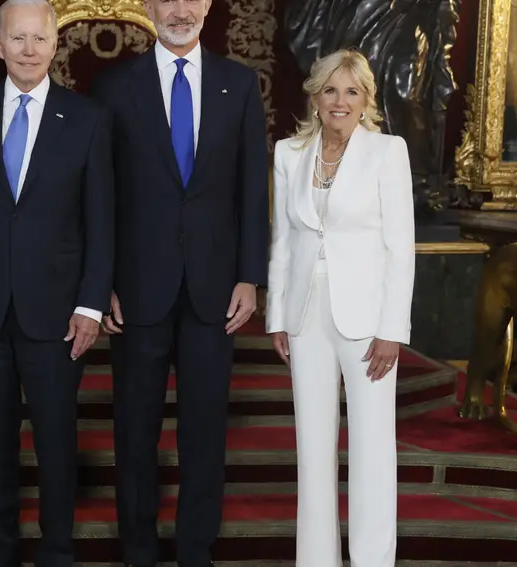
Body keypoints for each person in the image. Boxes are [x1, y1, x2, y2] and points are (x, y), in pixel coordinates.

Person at [0, 1, 114, 566]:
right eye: (19, 38)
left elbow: (100, 221)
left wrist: (89, 303)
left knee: (57, 443)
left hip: (58, 313)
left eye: (39, 38)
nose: (29, 49)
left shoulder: (87, 120)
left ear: (55, 45)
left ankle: (57, 552)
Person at [90, 1, 270, 565]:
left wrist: (250, 275)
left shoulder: (238, 85)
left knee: (204, 431)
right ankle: (138, 550)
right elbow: (100, 194)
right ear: (148, 6)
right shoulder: (115, 86)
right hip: (137, 288)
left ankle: (196, 549)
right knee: (135, 433)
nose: (182, 8)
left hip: (215, 291)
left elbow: (252, 187)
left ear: (208, 6)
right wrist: (102, 284)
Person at [266, 48, 415, 567]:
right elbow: (283, 240)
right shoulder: (289, 154)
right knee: (313, 447)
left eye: (352, 91)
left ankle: (374, 559)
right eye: (331, 89)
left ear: (366, 99)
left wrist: (392, 328)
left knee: (373, 449)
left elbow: (401, 246)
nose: (340, 100)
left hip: (368, 320)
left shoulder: (387, 151)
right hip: (306, 316)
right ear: (315, 95)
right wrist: (278, 317)